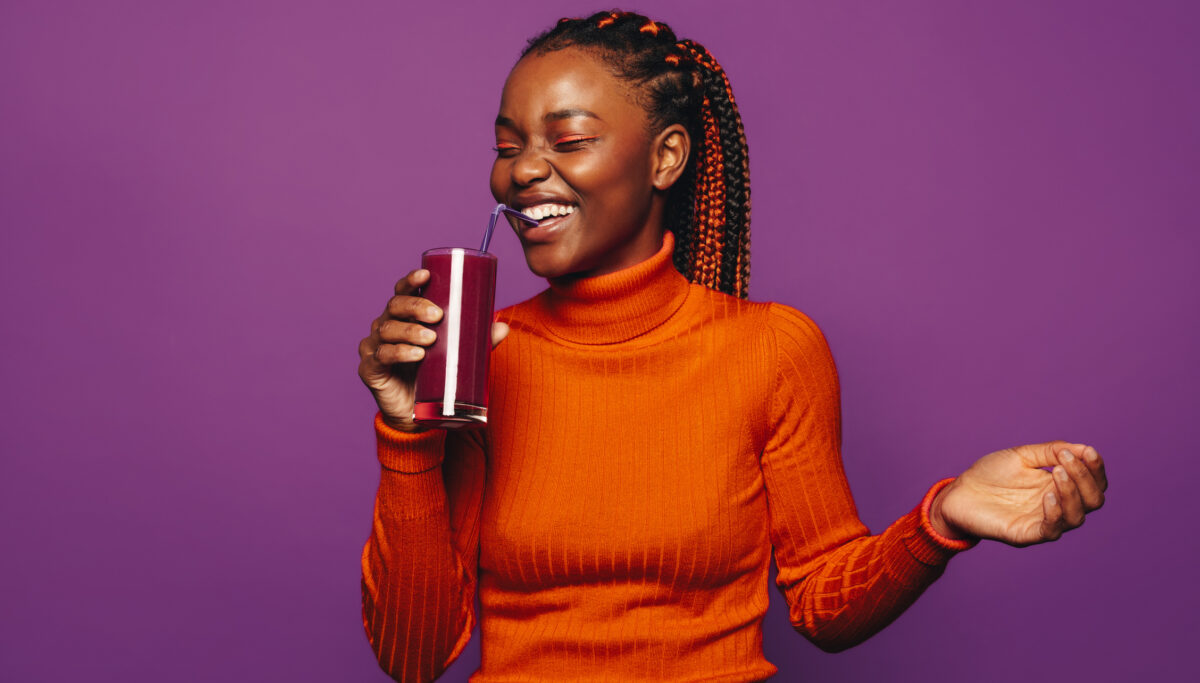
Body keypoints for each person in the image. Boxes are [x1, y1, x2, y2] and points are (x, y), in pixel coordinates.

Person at [356, 11, 1107, 682]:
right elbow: (413, 658)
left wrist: (942, 521)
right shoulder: (481, 355)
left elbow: (824, 604)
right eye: (507, 145)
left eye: (570, 140)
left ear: (666, 157)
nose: (520, 170)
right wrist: (408, 433)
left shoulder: (772, 349)